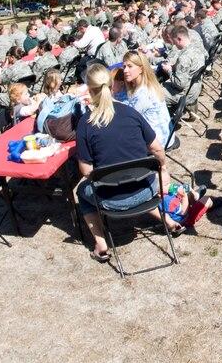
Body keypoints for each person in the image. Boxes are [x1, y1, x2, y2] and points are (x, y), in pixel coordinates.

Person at [75, 64, 182, 262]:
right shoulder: (131, 113)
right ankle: (167, 220)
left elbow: (86, 170)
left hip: (112, 201)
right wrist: (164, 169)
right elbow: (157, 149)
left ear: (89, 90)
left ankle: (100, 243)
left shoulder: (85, 123)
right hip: (147, 191)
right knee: (134, 178)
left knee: (82, 192)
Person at [114, 51, 173, 148]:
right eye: (124, 67)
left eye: (130, 66)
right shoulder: (145, 85)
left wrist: (110, 101)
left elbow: (128, 119)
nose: (125, 70)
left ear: (141, 69)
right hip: (163, 135)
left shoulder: (144, 93)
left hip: (158, 142)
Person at [162, 25, 207, 107]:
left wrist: (168, 70)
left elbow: (180, 84)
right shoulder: (197, 50)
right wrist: (175, 67)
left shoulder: (184, 57)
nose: (174, 44)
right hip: (194, 90)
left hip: (182, 95)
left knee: (152, 94)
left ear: (179, 39)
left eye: (174, 41)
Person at [0, 47, 34, 113]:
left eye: (8, 56)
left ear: (12, 57)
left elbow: (1, 80)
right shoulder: (26, 65)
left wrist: (5, 65)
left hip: (15, 98)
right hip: (27, 93)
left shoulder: (12, 69)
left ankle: (1, 118)